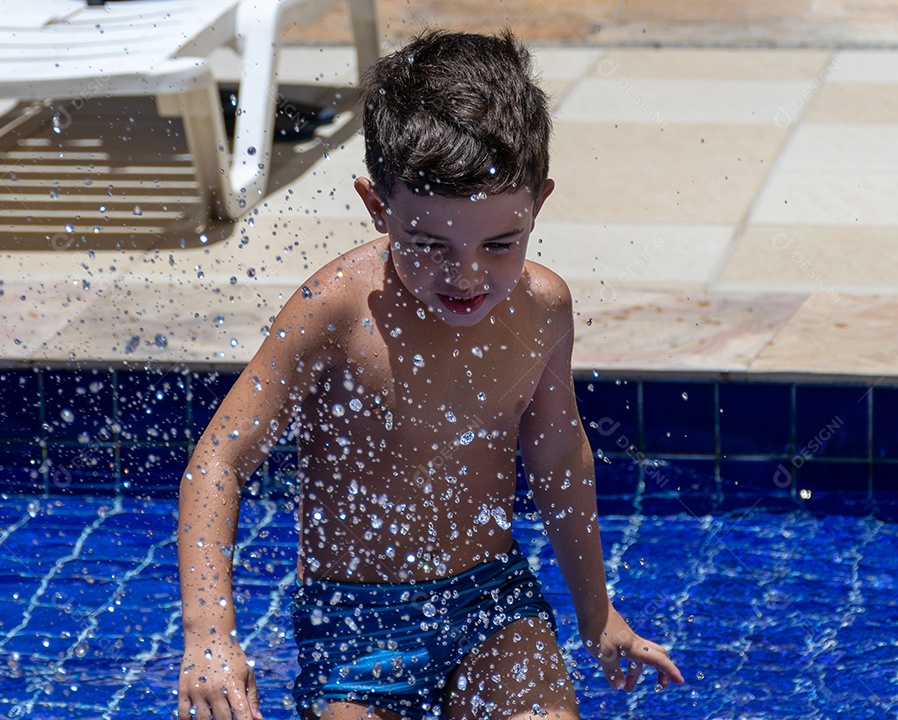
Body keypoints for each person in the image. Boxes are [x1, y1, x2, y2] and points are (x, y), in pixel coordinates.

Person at [177, 29, 684, 720]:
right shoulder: (336, 310)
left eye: (501, 244)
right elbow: (220, 460)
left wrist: (598, 614)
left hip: (491, 603)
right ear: (377, 206)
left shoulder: (542, 309)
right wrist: (209, 638)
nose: (467, 276)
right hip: (357, 627)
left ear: (539, 204)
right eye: (427, 245)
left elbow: (559, 455)